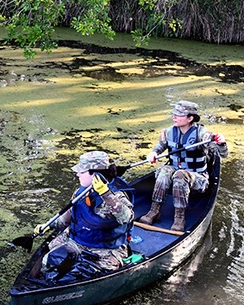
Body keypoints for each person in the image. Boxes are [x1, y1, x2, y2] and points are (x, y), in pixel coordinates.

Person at [38, 151, 134, 285]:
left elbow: (126, 217)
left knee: (96, 273)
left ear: (96, 175)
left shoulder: (116, 195)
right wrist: (49, 225)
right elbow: (70, 214)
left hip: (105, 248)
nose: (77, 174)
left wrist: (105, 193)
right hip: (79, 240)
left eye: (81, 172)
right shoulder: (82, 191)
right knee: (48, 260)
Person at [140, 100, 228, 231]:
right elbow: (160, 146)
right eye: (174, 114)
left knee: (180, 175)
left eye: (179, 115)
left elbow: (223, 154)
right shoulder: (168, 132)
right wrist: (153, 153)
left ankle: (179, 217)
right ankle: (155, 211)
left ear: (190, 118)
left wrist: (221, 143)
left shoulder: (202, 134)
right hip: (175, 173)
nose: (174, 117)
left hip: (197, 178)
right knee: (164, 171)